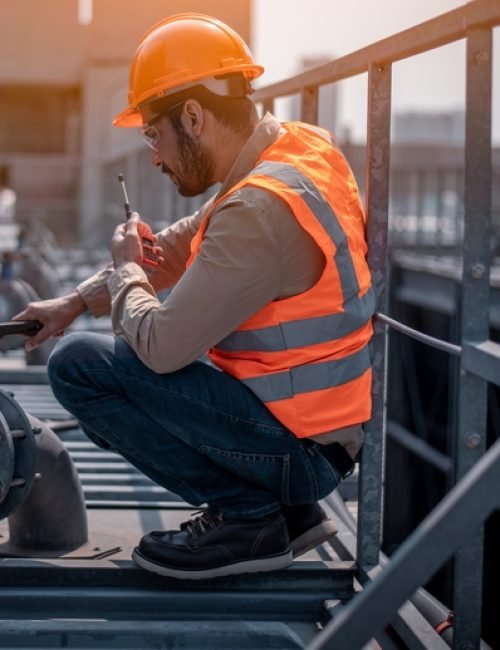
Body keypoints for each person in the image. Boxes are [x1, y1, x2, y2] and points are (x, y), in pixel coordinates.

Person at [15, 13, 375, 580]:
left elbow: (161, 349)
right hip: (321, 435)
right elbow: (188, 242)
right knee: (98, 344)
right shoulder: (296, 153)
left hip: (299, 454)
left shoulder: (258, 210)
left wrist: (127, 271)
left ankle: (250, 516)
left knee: (81, 366)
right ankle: (287, 514)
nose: (153, 157)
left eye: (153, 135)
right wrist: (75, 302)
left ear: (193, 116)